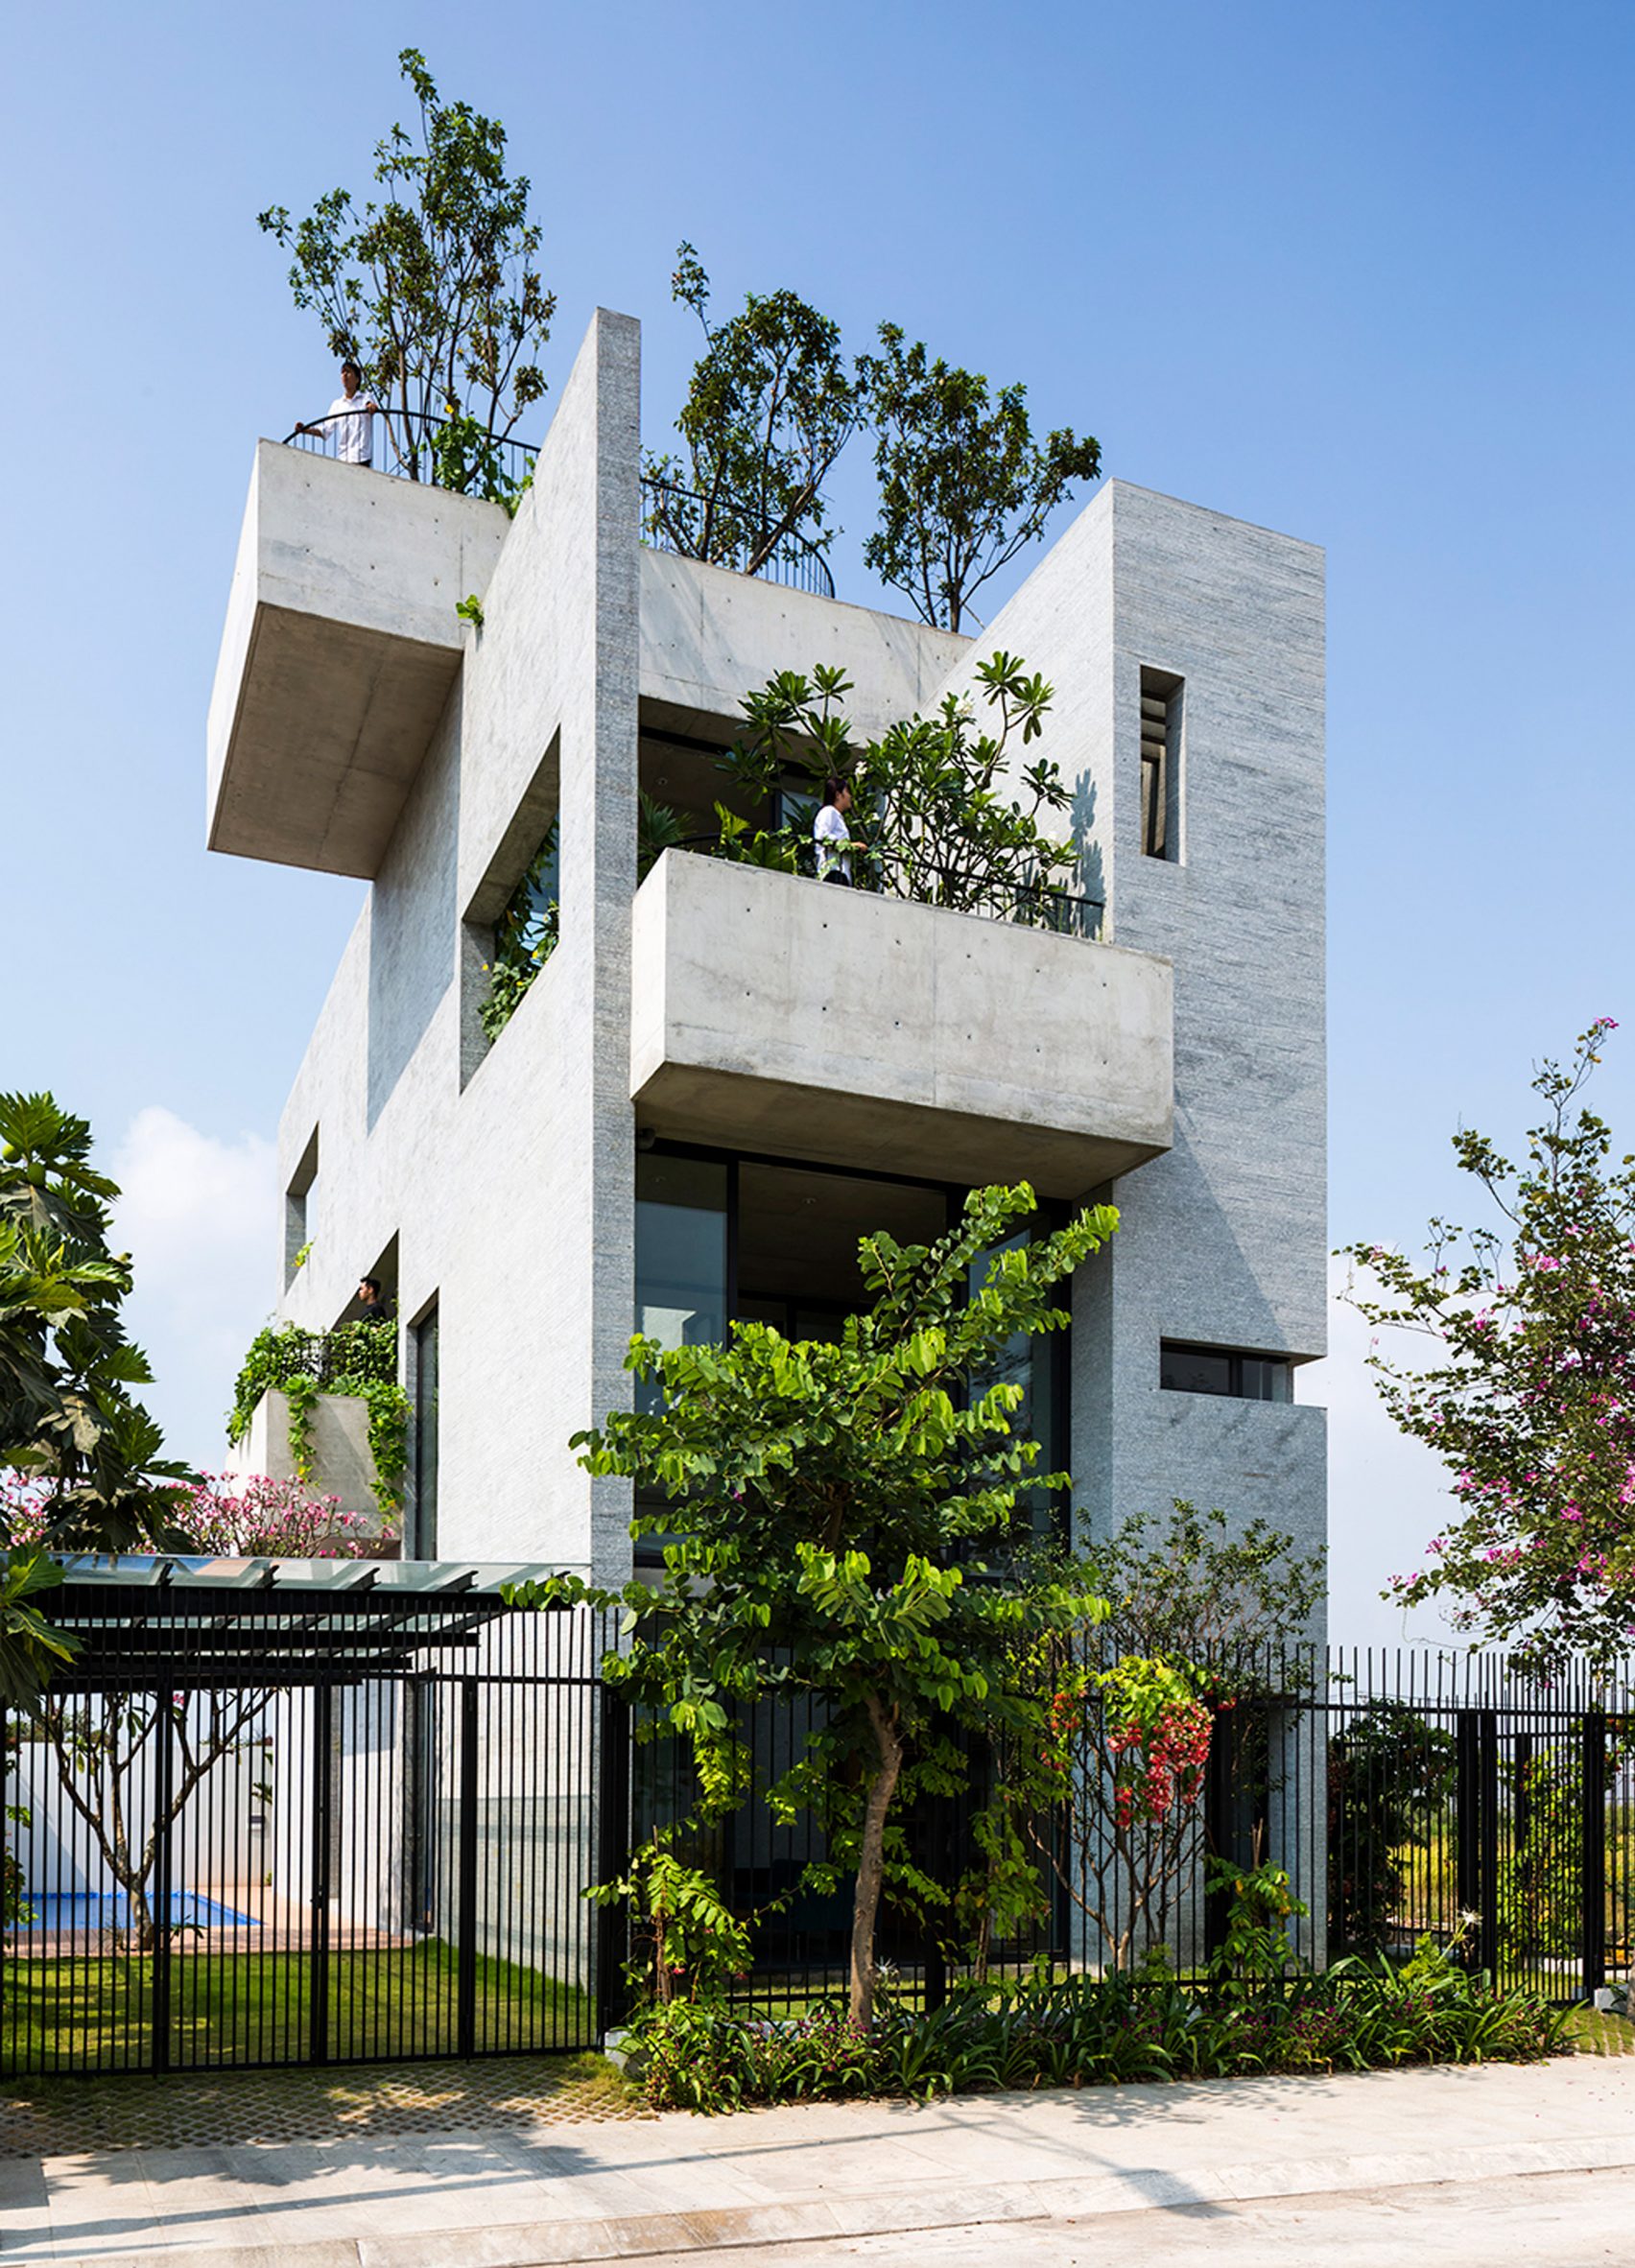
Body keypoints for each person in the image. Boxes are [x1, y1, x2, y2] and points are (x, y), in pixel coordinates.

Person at [297, 361, 382, 467]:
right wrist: (306, 430)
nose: (345, 375)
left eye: (348, 372)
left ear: (357, 379)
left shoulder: (365, 397)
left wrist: (371, 407)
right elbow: (325, 430)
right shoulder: (337, 405)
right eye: (342, 372)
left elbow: (371, 406)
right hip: (344, 458)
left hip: (362, 457)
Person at [813, 778, 864, 886]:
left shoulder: (836, 815)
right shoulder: (829, 811)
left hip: (838, 871)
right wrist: (852, 845)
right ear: (838, 795)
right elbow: (823, 837)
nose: (850, 796)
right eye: (847, 792)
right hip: (833, 871)